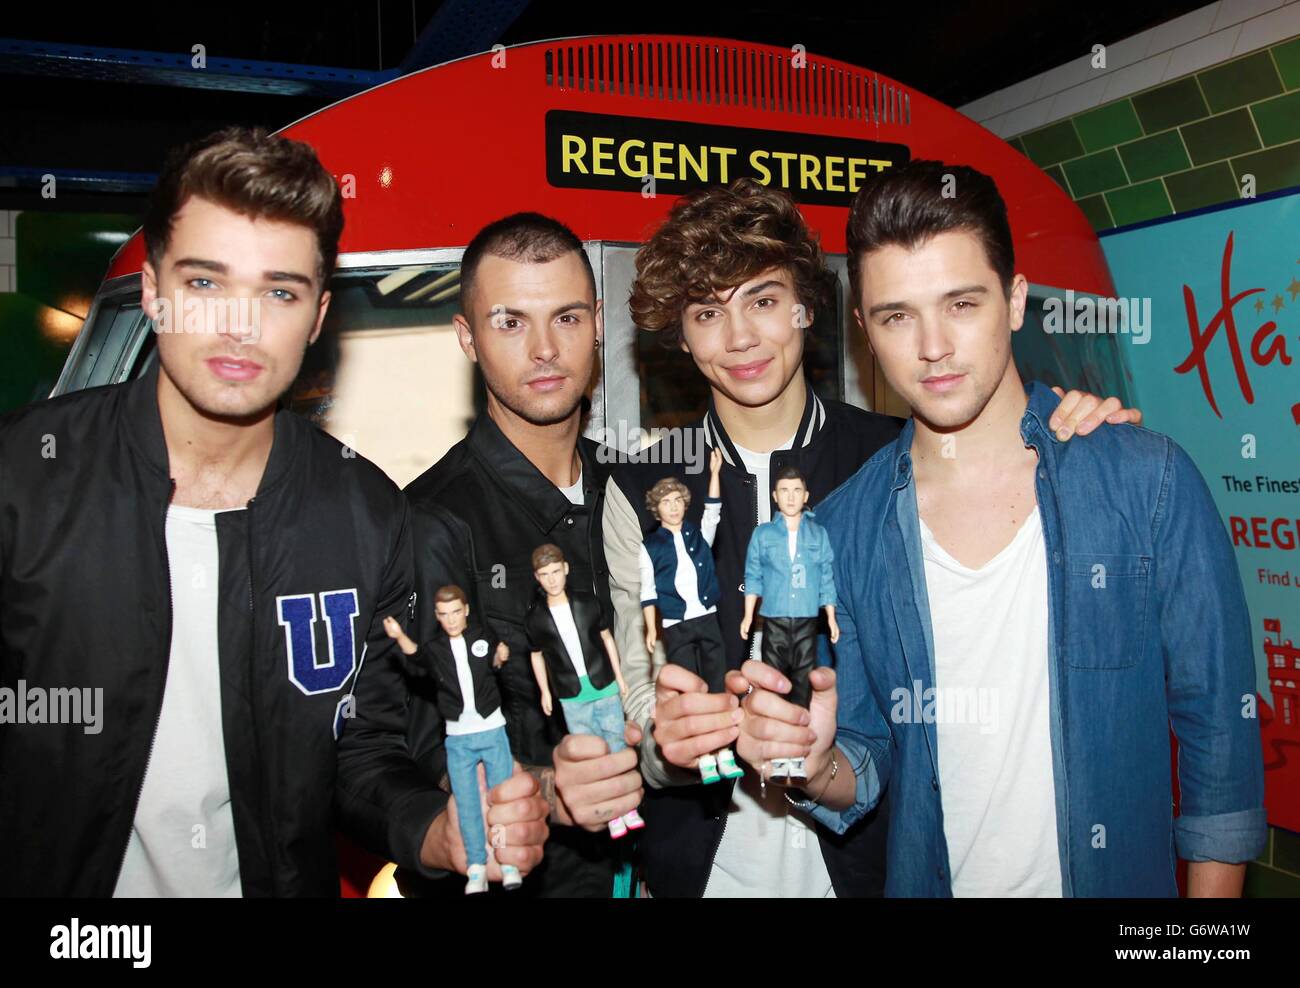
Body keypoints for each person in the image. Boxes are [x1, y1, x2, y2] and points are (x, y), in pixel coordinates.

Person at [0, 127, 547, 896]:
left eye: (278, 292)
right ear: (153, 292)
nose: (240, 326)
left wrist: (433, 828)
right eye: (204, 284)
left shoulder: (365, 512)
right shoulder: (24, 479)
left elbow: (363, 752)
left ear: (318, 317)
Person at [597, 177, 1143, 898]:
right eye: (706, 312)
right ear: (681, 331)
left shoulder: (902, 462)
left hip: (879, 867)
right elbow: (635, 715)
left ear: (807, 306)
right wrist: (665, 747)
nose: (739, 339)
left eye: (762, 300)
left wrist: (1075, 429)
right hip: (700, 871)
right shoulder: (636, 491)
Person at [734, 159, 1267, 896]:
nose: (932, 347)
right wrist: (811, 761)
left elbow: (1220, 749)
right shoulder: (841, 529)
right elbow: (861, 763)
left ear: (1014, 301)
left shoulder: (1147, 483)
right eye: (897, 316)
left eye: (961, 304)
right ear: (863, 329)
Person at [400, 213, 644, 897]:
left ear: (598, 322)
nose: (544, 349)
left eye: (565, 318)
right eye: (510, 322)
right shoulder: (428, 522)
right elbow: (417, 747)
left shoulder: (639, 494)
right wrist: (544, 789)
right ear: (466, 337)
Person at [383, 586, 522, 894]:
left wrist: (500, 658)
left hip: (492, 727)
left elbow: (495, 666)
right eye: (444, 615)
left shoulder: (481, 639)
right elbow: (415, 655)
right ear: (437, 617)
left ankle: (507, 860)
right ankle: (476, 866)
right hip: (458, 737)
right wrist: (398, 635)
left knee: (502, 800)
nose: (451, 619)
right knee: (467, 804)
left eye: (456, 612)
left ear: (466, 611)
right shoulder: (436, 649)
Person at [525, 544, 643, 839]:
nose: (551, 579)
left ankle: (627, 808)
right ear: (537, 578)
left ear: (565, 569)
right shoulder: (536, 619)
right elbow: (536, 655)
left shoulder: (588, 604)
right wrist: (544, 692)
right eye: (544, 574)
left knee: (616, 743)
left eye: (555, 572)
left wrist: (620, 676)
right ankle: (613, 813)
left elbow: (607, 639)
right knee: (592, 756)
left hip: (603, 684)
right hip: (570, 693)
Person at [639, 449, 742, 784]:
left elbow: (713, 513)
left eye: (677, 500)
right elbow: (647, 588)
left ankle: (724, 749)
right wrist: (651, 627)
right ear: (657, 508)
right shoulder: (649, 545)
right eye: (666, 501)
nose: (673, 506)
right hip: (676, 624)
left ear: (684, 503)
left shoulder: (698, 534)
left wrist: (714, 474)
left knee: (716, 685)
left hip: (706, 616)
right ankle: (703, 755)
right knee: (689, 689)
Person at [741, 464, 838, 780]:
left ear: (806, 495)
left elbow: (826, 576)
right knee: (774, 688)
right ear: (775, 495)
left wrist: (832, 618)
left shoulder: (818, 534)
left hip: (808, 623)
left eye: (797, 490)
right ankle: (776, 752)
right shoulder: (764, 535)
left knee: (801, 689)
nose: (791, 496)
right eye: (784, 490)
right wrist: (747, 616)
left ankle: (795, 757)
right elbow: (753, 576)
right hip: (774, 622)